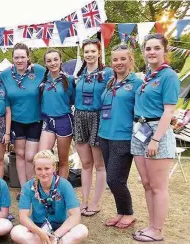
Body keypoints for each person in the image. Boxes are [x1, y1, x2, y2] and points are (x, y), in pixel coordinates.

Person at [131, 34, 179, 242]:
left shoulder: (169, 76)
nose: (151, 52)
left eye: (156, 48)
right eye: (148, 48)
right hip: (140, 129)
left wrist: (156, 139)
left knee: (158, 186)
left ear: (164, 50)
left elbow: (168, 111)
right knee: (147, 183)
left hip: (156, 131)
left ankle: (157, 230)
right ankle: (152, 226)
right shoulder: (149, 76)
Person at [98, 44, 143, 228]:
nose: (119, 63)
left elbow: (141, 111)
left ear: (131, 60)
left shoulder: (137, 84)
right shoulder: (110, 82)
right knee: (114, 177)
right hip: (104, 134)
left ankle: (129, 213)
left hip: (123, 136)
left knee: (114, 179)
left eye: (123, 59)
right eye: (115, 59)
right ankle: (121, 211)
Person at [0, 43, 46, 199]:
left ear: (28, 57)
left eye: (22, 57)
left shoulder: (39, 71)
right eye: (16, 57)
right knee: (19, 154)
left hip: (35, 119)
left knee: (31, 156)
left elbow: (56, 75)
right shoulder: (5, 75)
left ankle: (34, 187)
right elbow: (1, 95)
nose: (19, 60)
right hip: (16, 121)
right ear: (12, 58)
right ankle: (24, 189)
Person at [10, 150, 88, 244]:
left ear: (54, 167)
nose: (43, 173)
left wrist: (56, 235)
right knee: (16, 232)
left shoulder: (64, 185)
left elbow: (75, 215)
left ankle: (52, 241)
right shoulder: (28, 186)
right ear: (34, 169)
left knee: (82, 230)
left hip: (61, 227)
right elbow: (23, 217)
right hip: (38, 227)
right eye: (39, 169)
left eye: (47, 168)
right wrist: (39, 232)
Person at [74, 39, 113, 216]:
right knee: (86, 163)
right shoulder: (79, 75)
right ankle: (84, 201)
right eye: (86, 51)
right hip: (80, 117)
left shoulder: (107, 74)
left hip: (98, 117)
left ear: (99, 53)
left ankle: (96, 203)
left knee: (99, 164)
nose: (89, 54)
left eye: (92, 51)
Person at [38, 49, 75, 179]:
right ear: (45, 63)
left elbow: (73, 100)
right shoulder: (43, 81)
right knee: (42, 157)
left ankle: (60, 190)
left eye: (55, 59)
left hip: (64, 121)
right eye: (49, 61)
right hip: (48, 121)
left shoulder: (69, 80)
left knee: (63, 160)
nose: (52, 63)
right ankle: (46, 187)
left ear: (60, 61)